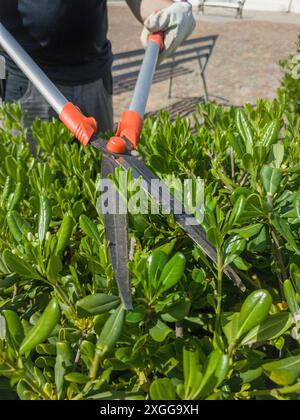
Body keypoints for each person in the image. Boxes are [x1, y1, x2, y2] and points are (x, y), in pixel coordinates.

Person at [0, 0, 196, 135]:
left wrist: (170, 10)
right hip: (29, 80)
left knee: (98, 177)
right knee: (34, 184)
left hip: (95, 77)